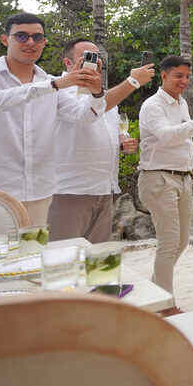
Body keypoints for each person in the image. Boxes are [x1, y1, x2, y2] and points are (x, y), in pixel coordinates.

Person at [0, 12, 106, 225]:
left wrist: (95, 93)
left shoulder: (50, 82)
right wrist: (54, 86)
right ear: (5, 39)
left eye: (37, 38)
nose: (30, 42)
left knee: (33, 255)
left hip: (40, 191)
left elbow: (82, 116)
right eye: (21, 36)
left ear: (44, 42)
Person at [137, 55, 193, 306]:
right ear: (163, 76)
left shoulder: (182, 103)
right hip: (157, 178)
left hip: (183, 177)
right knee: (169, 243)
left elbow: (185, 141)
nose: (184, 81)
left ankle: (154, 291)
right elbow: (166, 137)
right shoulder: (152, 105)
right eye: (178, 76)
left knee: (182, 240)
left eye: (187, 76)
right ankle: (165, 305)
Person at [49, 39, 156, 243]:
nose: (94, 62)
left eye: (97, 58)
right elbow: (83, 114)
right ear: (68, 63)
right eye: (87, 58)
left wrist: (122, 142)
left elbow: (104, 128)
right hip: (70, 191)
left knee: (97, 261)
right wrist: (131, 82)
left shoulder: (105, 97)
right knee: (65, 259)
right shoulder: (58, 91)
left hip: (104, 190)